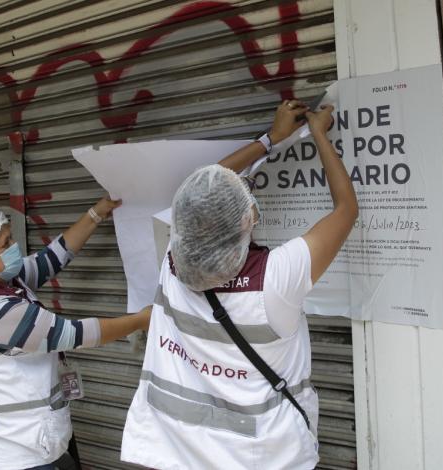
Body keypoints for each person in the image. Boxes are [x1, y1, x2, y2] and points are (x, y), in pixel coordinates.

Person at [120, 100, 358, 469]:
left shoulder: (171, 259)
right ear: (249, 219)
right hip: (261, 457)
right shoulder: (274, 278)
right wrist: (318, 135)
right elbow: (345, 210)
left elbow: (198, 190)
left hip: (174, 453)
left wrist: (270, 140)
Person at [0, 200, 151, 470]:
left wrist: (96, 214)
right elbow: (74, 334)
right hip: (18, 449)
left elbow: (50, 259)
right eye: (3, 244)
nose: (14, 246)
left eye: (10, 237)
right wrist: (140, 320)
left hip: (25, 438)